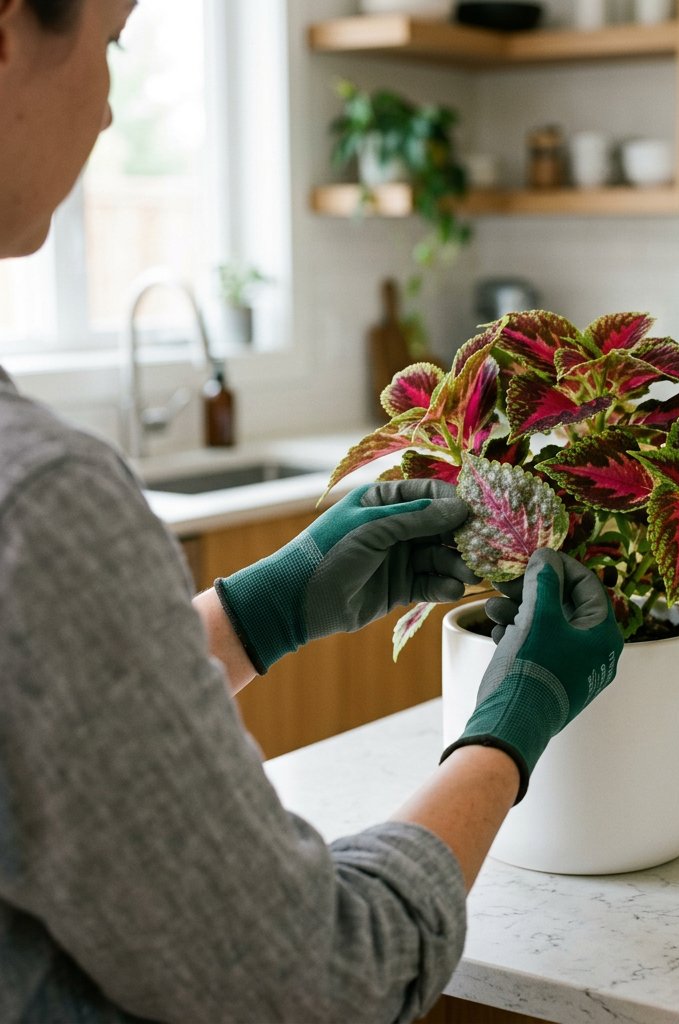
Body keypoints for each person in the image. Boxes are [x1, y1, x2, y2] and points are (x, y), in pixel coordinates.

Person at [0, 1, 624, 1021]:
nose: (111, 110)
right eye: (111, 43)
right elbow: (319, 978)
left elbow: (33, 742)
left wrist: (256, 611)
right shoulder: (39, 505)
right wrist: (506, 733)